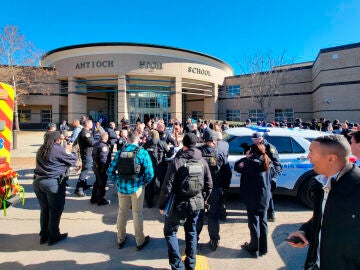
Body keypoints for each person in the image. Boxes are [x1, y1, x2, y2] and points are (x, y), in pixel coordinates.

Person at [287, 134, 360, 270]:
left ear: (331, 158)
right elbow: (325, 215)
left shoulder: (356, 188)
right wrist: (305, 231)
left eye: (311, 152)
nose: (308, 156)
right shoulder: (321, 182)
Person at [158, 133, 213, 270]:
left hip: (179, 203)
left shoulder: (177, 161)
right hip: (196, 203)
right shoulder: (202, 161)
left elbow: (167, 186)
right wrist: (203, 197)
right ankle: (191, 264)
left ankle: (177, 266)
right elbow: (209, 184)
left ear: (184, 145)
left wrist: (162, 205)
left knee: (170, 231)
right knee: (191, 231)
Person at [107, 130, 154, 250]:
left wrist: (118, 180)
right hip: (137, 187)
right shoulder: (142, 152)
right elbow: (150, 173)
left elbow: (110, 171)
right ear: (138, 139)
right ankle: (139, 241)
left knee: (122, 211)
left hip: (122, 187)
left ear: (127, 139)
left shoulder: (119, 152)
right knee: (137, 213)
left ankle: (120, 238)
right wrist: (142, 183)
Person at [33, 131, 77, 245]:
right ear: (57, 140)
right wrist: (72, 151)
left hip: (38, 182)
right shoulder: (58, 149)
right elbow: (73, 159)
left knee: (45, 209)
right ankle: (53, 235)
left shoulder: (41, 149)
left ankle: (44, 235)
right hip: (52, 183)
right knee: (55, 210)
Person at [235, 143, 272, 258]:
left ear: (252, 152)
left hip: (252, 197)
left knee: (254, 223)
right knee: (263, 222)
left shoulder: (248, 162)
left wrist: (247, 157)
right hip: (264, 196)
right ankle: (263, 248)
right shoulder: (267, 161)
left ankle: (254, 248)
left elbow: (237, 167)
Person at [196, 129, 231, 251]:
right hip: (215, 189)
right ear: (214, 140)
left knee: (197, 216)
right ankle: (214, 240)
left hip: (198, 190)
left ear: (203, 139)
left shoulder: (197, 153)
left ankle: (194, 240)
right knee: (213, 216)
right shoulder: (219, 154)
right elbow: (227, 172)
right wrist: (225, 187)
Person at [251, 132, 282, 222]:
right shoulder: (254, 146)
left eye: (255, 140)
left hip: (268, 174)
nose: (253, 141)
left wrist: (273, 175)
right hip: (259, 174)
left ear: (260, 138)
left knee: (268, 194)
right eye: (252, 140)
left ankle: (271, 214)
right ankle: (262, 211)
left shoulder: (269, 147)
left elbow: (276, 161)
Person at [143, 130, 171, 208]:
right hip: (161, 166)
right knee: (163, 185)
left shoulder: (147, 144)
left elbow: (142, 153)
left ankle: (149, 203)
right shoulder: (163, 143)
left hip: (150, 167)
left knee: (149, 185)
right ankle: (163, 203)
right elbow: (169, 154)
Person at [74, 120, 94, 196]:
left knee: (85, 170)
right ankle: (78, 189)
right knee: (85, 171)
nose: (92, 125)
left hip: (86, 153)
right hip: (87, 154)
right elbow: (92, 143)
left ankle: (84, 185)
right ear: (87, 124)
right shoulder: (85, 133)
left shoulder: (85, 132)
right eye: (91, 124)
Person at [91, 132, 111, 205]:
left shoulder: (96, 144)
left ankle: (94, 198)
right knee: (102, 183)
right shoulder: (104, 146)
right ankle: (100, 199)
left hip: (95, 166)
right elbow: (103, 158)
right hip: (101, 167)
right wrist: (104, 168)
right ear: (106, 138)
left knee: (97, 182)